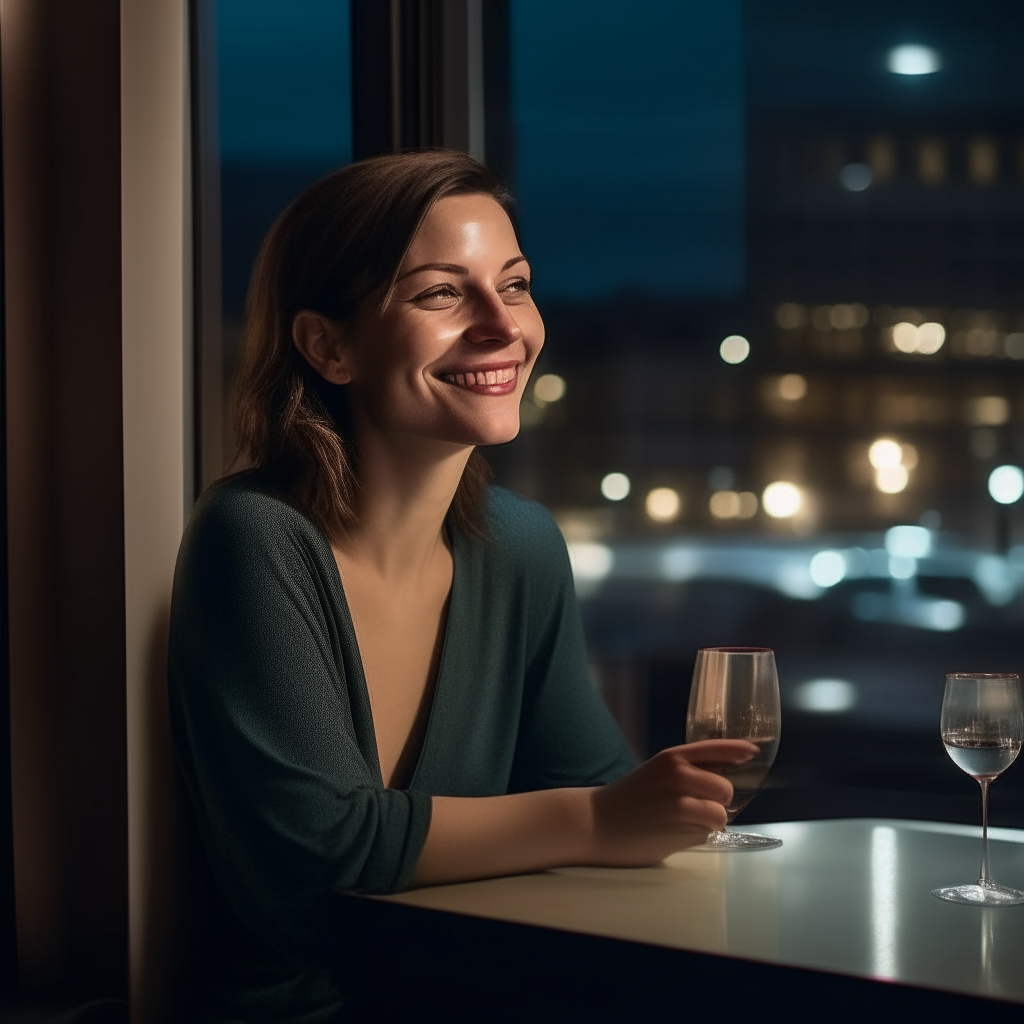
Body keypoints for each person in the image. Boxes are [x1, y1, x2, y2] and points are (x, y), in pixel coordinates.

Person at [168, 149, 755, 1023]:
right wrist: (595, 822)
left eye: (514, 285)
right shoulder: (251, 537)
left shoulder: (520, 546)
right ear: (328, 346)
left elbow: (594, 777)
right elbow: (322, 855)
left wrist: (644, 813)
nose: (501, 326)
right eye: (442, 293)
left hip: (480, 983)